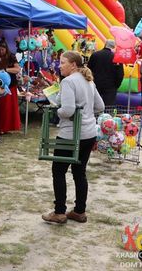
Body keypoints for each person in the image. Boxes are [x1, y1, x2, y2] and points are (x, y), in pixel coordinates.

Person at [42, 51, 104, 224]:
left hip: (70, 135)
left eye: (63, 62)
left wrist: (56, 111)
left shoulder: (68, 81)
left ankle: (59, 212)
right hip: (89, 133)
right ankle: (79, 211)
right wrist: (85, 113)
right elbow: (100, 106)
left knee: (58, 171)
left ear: (74, 65)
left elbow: (68, 110)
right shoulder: (88, 80)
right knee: (79, 172)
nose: (59, 65)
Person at [0, 42, 21, 134]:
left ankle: (7, 127)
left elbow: (17, 69)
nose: (1, 51)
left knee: (8, 108)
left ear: (6, 49)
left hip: (10, 86)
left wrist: (5, 69)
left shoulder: (11, 56)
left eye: (3, 49)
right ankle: (0, 127)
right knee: (0, 108)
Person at [87, 39, 124, 106]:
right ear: (113, 46)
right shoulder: (116, 58)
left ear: (105, 45)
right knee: (108, 107)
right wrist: (116, 85)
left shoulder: (95, 55)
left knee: (94, 105)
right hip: (111, 86)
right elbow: (120, 74)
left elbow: (89, 69)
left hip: (96, 84)